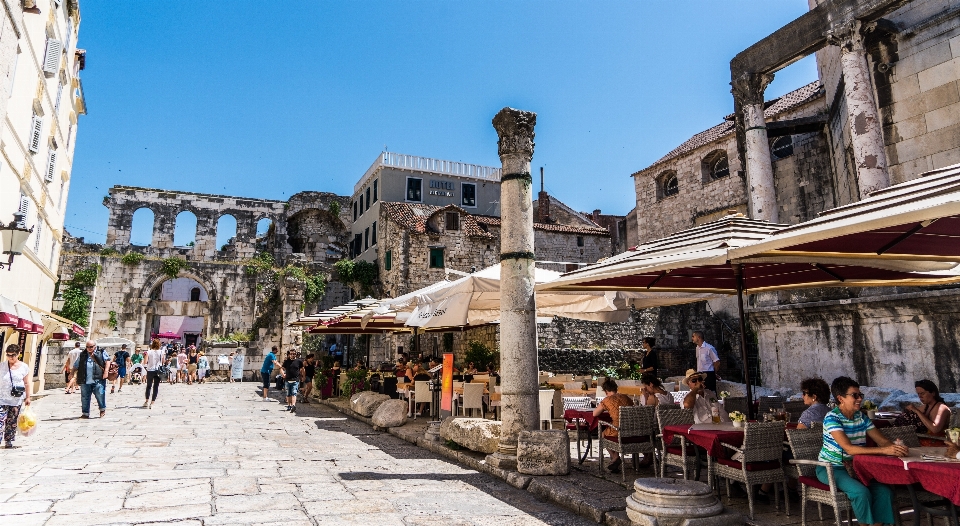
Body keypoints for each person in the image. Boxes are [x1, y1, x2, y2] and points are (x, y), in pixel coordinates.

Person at [817, 376, 906, 526]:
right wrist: (884, 451)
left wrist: (895, 448)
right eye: (855, 395)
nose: (859, 399)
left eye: (860, 395)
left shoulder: (861, 417)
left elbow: (881, 440)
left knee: (885, 492)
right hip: (832, 468)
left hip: (858, 466)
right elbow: (849, 448)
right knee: (861, 493)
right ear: (841, 398)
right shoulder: (832, 418)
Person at [593, 378, 636, 473]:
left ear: (606, 391)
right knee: (615, 430)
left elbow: (595, 414)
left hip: (618, 430)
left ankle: (615, 457)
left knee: (603, 434)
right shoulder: (626, 397)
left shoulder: (607, 400)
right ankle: (615, 458)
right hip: (632, 429)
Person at [0, 344, 31, 448]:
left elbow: (26, 383)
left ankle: (8, 441)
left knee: (11, 421)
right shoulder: (1, 366)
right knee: (0, 420)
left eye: (13, 355)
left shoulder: (24, 367)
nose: (10, 357)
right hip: (2, 398)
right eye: (8, 355)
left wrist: (28, 397)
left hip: (16, 399)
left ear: (18, 354)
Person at [72, 340, 112, 418]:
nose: (89, 348)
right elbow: (76, 365)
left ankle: (102, 409)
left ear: (95, 346)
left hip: (98, 379)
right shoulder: (82, 354)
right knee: (84, 397)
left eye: (91, 347)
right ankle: (85, 413)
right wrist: (71, 373)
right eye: (87, 347)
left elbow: (107, 361)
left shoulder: (101, 352)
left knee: (100, 395)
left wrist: (106, 371)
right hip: (85, 380)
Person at [143, 339, 164, 409]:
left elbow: (145, 362)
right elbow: (163, 362)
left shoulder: (148, 352)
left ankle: (146, 401)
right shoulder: (161, 352)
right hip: (158, 370)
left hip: (150, 370)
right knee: (156, 387)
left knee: (148, 386)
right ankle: (152, 403)